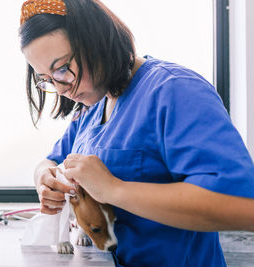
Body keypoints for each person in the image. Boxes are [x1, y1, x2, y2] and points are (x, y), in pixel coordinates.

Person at [19, 0, 254, 266]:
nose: (61, 90)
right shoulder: (91, 109)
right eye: (47, 80)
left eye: (62, 69)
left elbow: (243, 207)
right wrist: (44, 178)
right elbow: (51, 160)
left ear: (97, 41)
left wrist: (114, 190)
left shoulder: (174, 90)